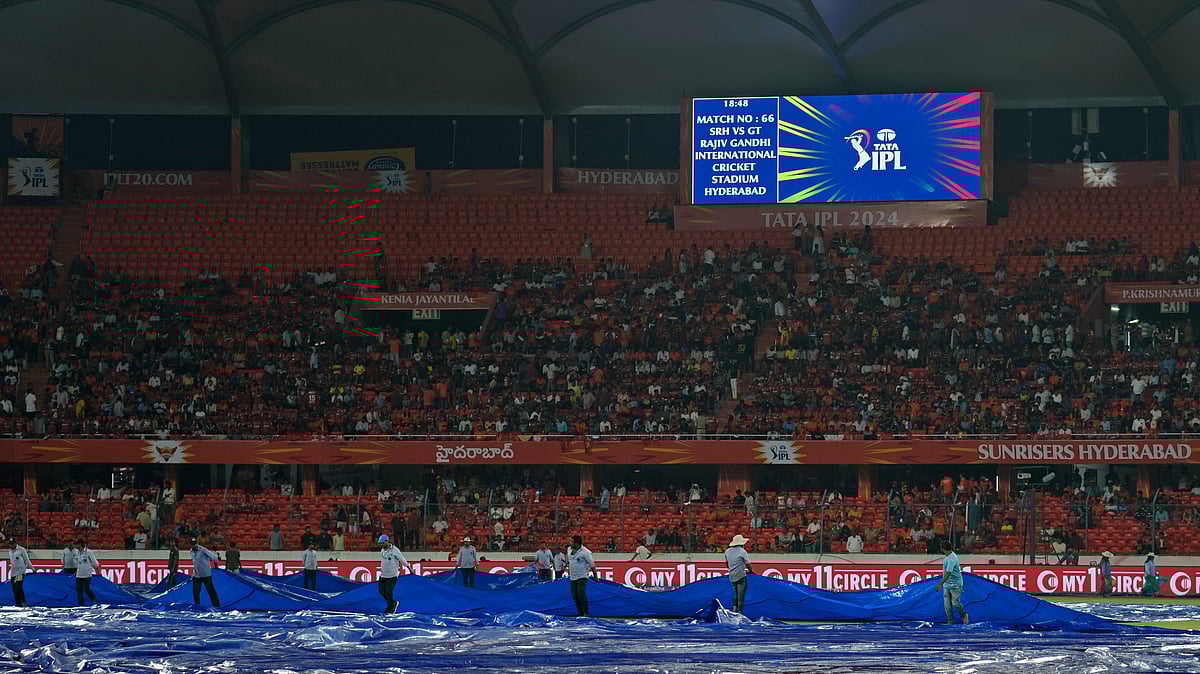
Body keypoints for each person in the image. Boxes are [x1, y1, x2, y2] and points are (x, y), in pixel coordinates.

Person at [934, 540, 968, 625]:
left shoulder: (952, 559)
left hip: (955, 585)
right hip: (947, 585)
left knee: (955, 603)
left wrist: (940, 584)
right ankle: (950, 621)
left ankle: (964, 615)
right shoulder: (947, 557)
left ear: (943, 549)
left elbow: (948, 573)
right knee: (947, 606)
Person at [378, 534, 412, 614]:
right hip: (383, 575)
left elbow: (402, 559)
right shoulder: (382, 551)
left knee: (388, 592)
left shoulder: (394, 550)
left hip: (392, 576)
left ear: (387, 541)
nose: (381, 545)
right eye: (380, 543)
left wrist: (409, 568)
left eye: (382, 543)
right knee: (381, 591)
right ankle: (392, 603)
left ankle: (390, 607)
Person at [567, 535, 596, 617]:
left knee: (581, 593)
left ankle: (586, 612)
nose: (570, 543)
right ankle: (580, 613)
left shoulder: (585, 552)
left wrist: (595, 577)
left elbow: (592, 565)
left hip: (582, 576)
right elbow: (570, 561)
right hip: (573, 576)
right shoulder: (569, 549)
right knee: (574, 595)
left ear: (577, 543)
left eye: (572, 542)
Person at [725, 534, 753, 614]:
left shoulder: (727, 551)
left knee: (735, 593)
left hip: (732, 575)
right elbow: (748, 564)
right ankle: (740, 613)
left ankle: (733, 611)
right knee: (741, 595)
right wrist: (751, 571)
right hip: (741, 576)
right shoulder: (742, 552)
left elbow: (727, 564)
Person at [189, 538, 221, 607]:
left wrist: (216, 566)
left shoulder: (203, 550)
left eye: (195, 543)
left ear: (197, 543)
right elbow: (194, 563)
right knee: (195, 592)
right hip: (197, 575)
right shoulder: (191, 551)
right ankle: (197, 606)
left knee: (211, 591)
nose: (194, 545)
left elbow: (214, 558)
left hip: (206, 575)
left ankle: (217, 606)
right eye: (192, 544)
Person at [75, 541, 99, 606]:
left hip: (87, 574)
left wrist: (97, 571)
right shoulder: (76, 552)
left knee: (86, 589)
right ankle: (81, 604)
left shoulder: (89, 552)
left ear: (80, 544)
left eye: (76, 544)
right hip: (79, 574)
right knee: (78, 590)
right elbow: (77, 563)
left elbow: (95, 563)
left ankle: (94, 599)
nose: (75, 546)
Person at [8, 539, 31, 607]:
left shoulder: (21, 549)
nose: (11, 545)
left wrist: (32, 568)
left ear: (16, 543)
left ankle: (23, 602)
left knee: (18, 587)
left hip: (20, 571)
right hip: (13, 572)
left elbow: (27, 560)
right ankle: (17, 603)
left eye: (12, 544)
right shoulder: (9, 551)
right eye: (10, 544)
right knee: (14, 588)